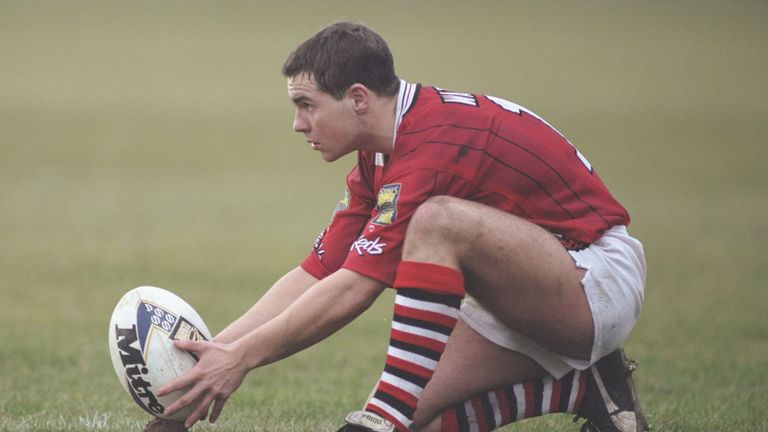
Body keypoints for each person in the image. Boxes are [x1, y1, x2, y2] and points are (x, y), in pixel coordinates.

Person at [148, 21, 648, 432]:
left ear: (358, 98)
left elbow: (356, 288)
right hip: (525, 284)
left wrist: (241, 360)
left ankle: (383, 415)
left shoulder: (430, 144)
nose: (298, 124)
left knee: (438, 221)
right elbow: (318, 272)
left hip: (593, 280)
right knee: (419, 424)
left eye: (307, 105)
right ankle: (584, 390)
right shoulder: (380, 152)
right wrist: (210, 358)